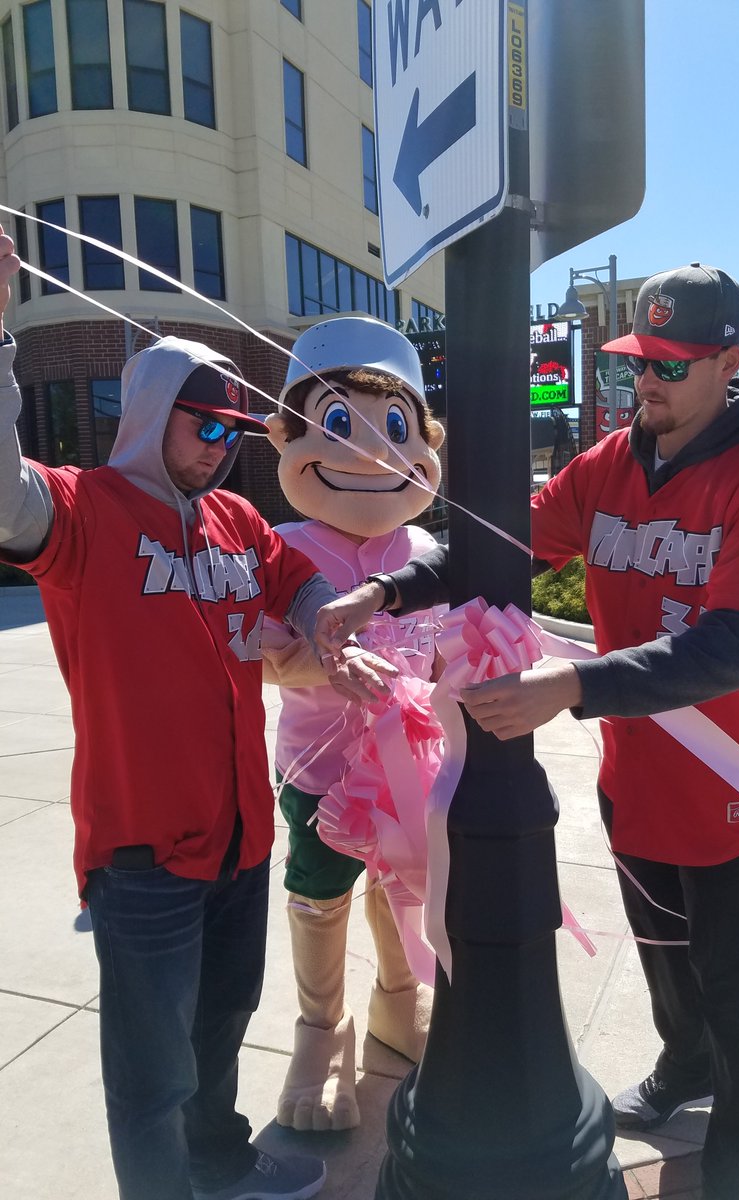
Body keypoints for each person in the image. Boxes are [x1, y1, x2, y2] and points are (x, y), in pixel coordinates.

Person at [313, 264, 739, 1200]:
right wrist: (385, 588)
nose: (648, 387)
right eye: (639, 366)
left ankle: (737, 1156)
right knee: (664, 950)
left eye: (673, 366)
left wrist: (572, 685)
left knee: (735, 980)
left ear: (731, 363)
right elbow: (495, 540)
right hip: (637, 770)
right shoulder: (612, 464)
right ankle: (682, 1068)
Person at [0, 226, 391, 1200]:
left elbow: (290, 571)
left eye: (230, 431)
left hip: (241, 842)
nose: (221, 450)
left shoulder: (237, 519)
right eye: (203, 427)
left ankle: (221, 1167)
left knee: (221, 1031)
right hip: (141, 859)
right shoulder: (81, 511)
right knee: (150, 1078)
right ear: (149, 414)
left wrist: (321, 611)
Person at [260, 316, 444, 1132]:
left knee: (404, 886)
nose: (371, 451)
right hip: (317, 768)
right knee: (321, 892)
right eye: (340, 424)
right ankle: (318, 1034)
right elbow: (263, 655)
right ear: (287, 437)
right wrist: (339, 655)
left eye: (395, 427)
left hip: (414, 766)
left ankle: (398, 1007)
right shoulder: (282, 545)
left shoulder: (426, 549)